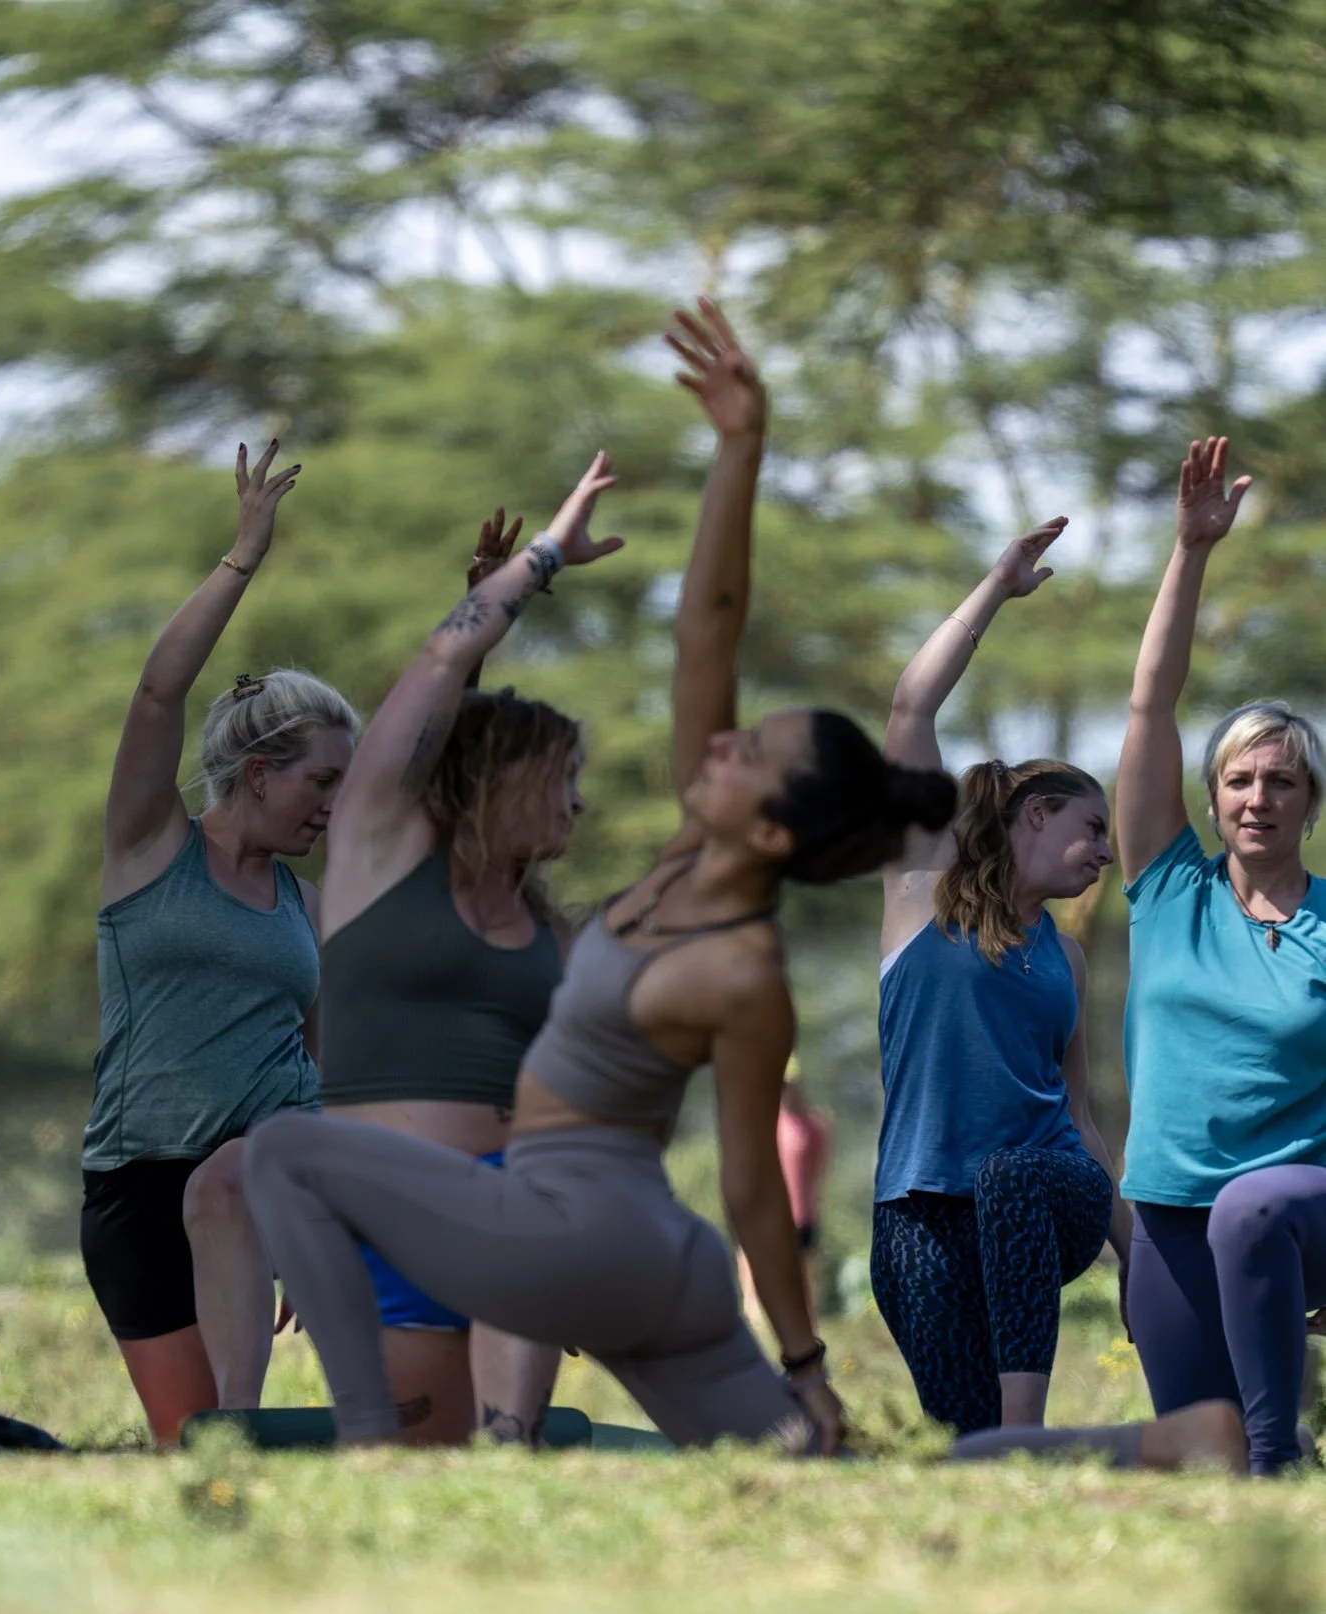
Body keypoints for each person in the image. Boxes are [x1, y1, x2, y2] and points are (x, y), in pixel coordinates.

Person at [244, 305, 1242, 1477]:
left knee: (279, 1155)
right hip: (660, 1260)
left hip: (556, 1226)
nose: (715, 746)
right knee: (821, 1462)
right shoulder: (733, 934)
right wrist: (808, 1367)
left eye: (744, 749)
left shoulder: (676, 893)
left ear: (765, 817)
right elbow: (749, 1194)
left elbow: (706, 640)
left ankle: (366, 1438)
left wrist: (735, 459)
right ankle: (1154, 1444)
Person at [80, 441, 359, 1445]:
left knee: (230, 1182)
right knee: (191, 1458)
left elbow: (320, 1061)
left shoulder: (306, 903)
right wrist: (242, 557)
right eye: (321, 780)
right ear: (253, 769)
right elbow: (157, 695)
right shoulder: (151, 847)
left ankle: (251, 1425)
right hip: (130, 1180)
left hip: (254, 1167)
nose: (336, 803)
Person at [317, 502, 580, 1445]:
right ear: (499, 784)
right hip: (389, 1212)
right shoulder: (375, 858)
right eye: (559, 779)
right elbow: (435, 685)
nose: (577, 804)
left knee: (498, 1470)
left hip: (515, 1210)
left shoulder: (543, 923)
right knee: (407, 1469)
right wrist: (540, 563)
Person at [872, 520, 1131, 1435]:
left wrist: (1131, 1252)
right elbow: (910, 709)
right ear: (1034, 815)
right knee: (965, 1437)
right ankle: (1005, 1446)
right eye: (1092, 828)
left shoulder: (1067, 954)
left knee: (1017, 1174)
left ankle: (1035, 1432)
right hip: (917, 1213)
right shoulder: (919, 891)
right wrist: (996, 587)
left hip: (1048, 1193)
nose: (1105, 851)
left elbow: (1080, 1112)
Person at [1116, 435, 1326, 1474]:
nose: (1258, 798)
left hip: (1299, 1204)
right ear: (1210, 799)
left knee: (1256, 1208)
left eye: (1282, 781)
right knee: (1210, 1462)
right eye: (1240, 780)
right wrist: (1190, 552)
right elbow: (1150, 705)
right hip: (1171, 1218)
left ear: (1310, 804)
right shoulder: (1166, 890)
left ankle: (1286, 1448)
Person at [739, 1059, 831, 1327]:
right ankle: (755, 1318)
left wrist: (816, 1201)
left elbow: (819, 1169)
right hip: (768, 1209)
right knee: (754, 1261)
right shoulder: (764, 1123)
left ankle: (807, 1324)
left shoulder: (813, 1125)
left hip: (802, 1212)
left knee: (803, 1271)